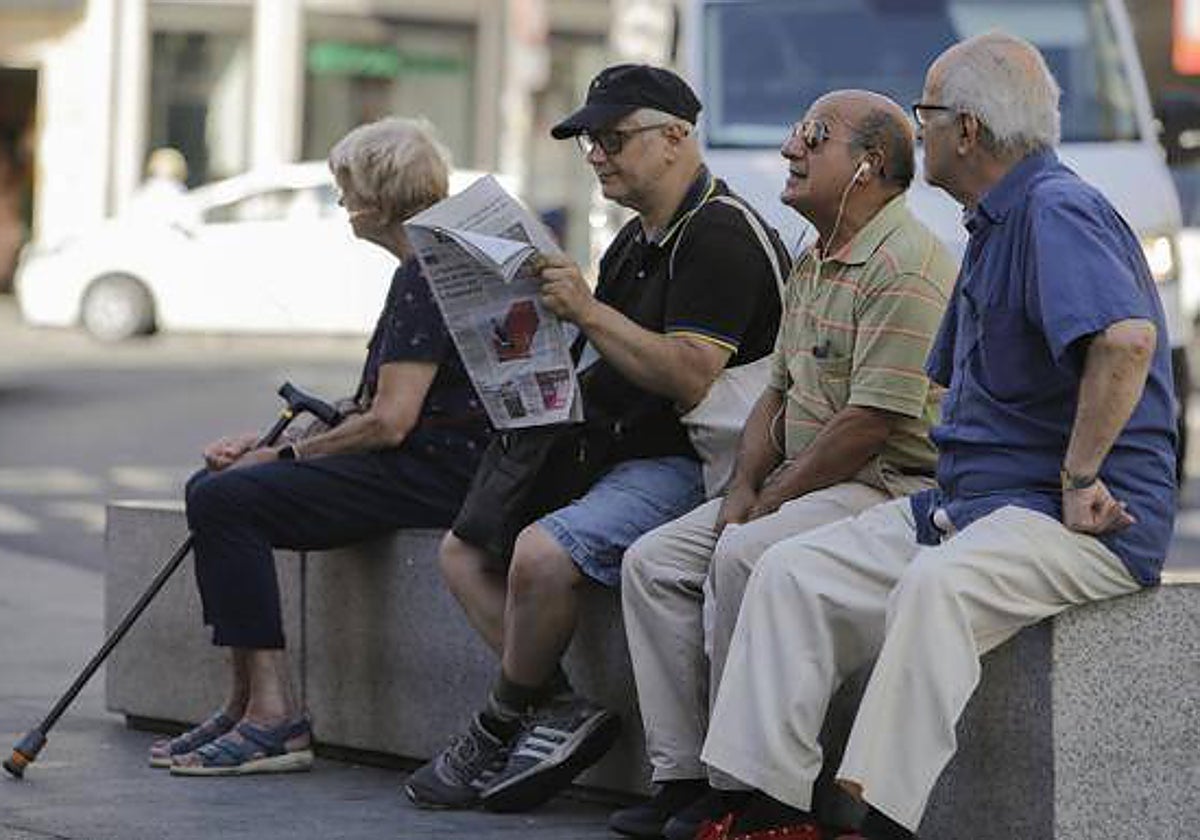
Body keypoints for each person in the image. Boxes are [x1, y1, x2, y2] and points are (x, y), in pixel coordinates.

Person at [697, 32, 1177, 840]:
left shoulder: (1057, 208)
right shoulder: (993, 222)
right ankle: (770, 812)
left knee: (937, 587)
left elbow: (1126, 340)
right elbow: (951, 383)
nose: (915, 134)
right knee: (789, 571)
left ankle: (875, 819)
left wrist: (1080, 474)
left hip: (1076, 518)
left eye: (924, 115)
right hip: (977, 502)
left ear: (968, 131)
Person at [404, 64, 788, 811]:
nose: (598, 155)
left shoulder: (718, 235)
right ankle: (557, 708)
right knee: (462, 550)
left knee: (542, 555)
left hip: (697, 462)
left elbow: (689, 376)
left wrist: (584, 310)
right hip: (609, 445)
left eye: (614, 137)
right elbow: (603, 353)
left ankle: (498, 721)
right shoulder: (635, 239)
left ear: (677, 138)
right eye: (589, 142)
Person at [612, 90, 957, 840]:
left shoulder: (907, 265)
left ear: (867, 167)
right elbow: (775, 393)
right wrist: (742, 485)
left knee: (744, 552)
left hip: (882, 487)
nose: (789, 150)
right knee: (651, 562)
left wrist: (765, 502)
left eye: (812, 137)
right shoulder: (815, 255)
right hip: (802, 481)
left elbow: (870, 424)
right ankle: (684, 777)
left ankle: (759, 795)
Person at [152, 117, 492, 776]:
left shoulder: (425, 273)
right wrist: (275, 439)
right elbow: (377, 406)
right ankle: (245, 700)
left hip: (437, 472)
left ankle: (275, 717)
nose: (340, 204)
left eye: (345, 189)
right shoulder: (435, 261)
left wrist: (280, 457)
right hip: (434, 461)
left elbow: (391, 422)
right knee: (212, 489)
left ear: (375, 201)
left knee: (228, 502)